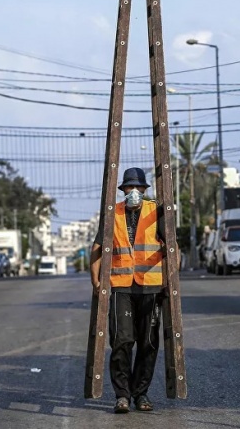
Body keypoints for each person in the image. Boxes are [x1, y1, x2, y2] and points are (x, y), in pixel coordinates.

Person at [90, 167, 169, 414]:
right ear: (123, 190)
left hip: (151, 286)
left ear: (145, 190)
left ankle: (141, 393)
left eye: (138, 187)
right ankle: (122, 396)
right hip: (120, 287)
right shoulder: (112, 214)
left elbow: (172, 247)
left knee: (148, 343)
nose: (134, 191)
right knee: (122, 341)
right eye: (129, 187)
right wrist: (96, 282)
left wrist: (171, 282)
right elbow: (97, 247)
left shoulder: (157, 212)